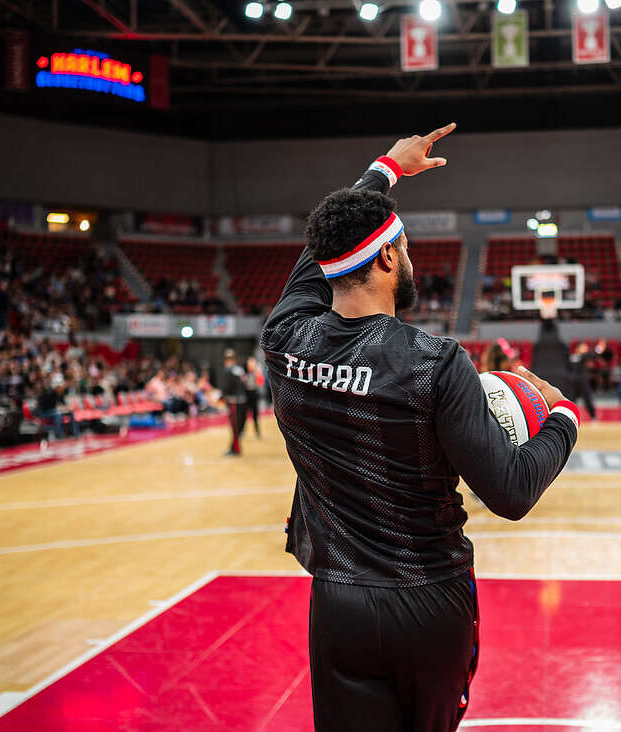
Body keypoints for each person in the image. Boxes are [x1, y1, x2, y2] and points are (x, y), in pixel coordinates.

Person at [260, 123, 579, 732]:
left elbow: (323, 245)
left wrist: (386, 169)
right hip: (429, 601)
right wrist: (562, 421)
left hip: (338, 600)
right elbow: (510, 492)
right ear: (386, 256)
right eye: (403, 246)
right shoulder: (436, 361)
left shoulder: (284, 337)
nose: (409, 256)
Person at [221, 349, 246, 456]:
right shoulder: (240, 369)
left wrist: (222, 397)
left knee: (235, 426)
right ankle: (234, 447)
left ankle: (235, 449)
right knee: (239, 426)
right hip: (243, 400)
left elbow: (228, 387)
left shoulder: (229, 370)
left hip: (234, 401)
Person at [241, 356, 264, 438]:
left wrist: (258, 373)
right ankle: (242, 430)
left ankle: (257, 430)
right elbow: (242, 383)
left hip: (254, 393)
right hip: (246, 393)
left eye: (253, 363)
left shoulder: (257, 373)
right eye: (250, 363)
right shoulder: (244, 372)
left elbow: (260, 383)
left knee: (255, 413)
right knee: (244, 413)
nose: (251, 365)